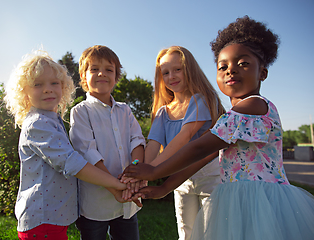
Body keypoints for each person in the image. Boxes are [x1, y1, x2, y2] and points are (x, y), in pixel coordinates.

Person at [124, 16, 314, 240]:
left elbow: (198, 148)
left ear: (262, 72)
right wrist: (164, 188)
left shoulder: (253, 106)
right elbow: (206, 157)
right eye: (223, 66)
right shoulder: (235, 114)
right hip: (237, 198)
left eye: (243, 63)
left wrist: (154, 171)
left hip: (260, 201)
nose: (231, 70)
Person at [4, 50, 128, 240]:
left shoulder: (52, 120)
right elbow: (72, 163)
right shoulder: (38, 123)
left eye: (54, 83)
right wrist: (116, 184)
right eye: (38, 84)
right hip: (43, 219)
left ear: (63, 88)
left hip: (51, 219)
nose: (48, 89)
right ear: (24, 93)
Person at [140, 46, 225, 240]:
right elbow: (153, 144)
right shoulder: (162, 112)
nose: (172, 76)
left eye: (178, 69)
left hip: (210, 175)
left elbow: (185, 136)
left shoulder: (201, 99)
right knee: (186, 232)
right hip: (182, 180)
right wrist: (142, 172)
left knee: (213, 231)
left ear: (190, 70)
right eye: (166, 72)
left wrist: (152, 170)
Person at [69, 45, 146, 240]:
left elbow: (137, 140)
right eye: (94, 69)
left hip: (127, 201)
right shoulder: (80, 112)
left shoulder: (125, 110)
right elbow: (87, 152)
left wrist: (134, 173)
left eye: (109, 70)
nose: (101, 73)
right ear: (83, 76)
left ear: (116, 77)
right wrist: (115, 187)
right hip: (95, 203)